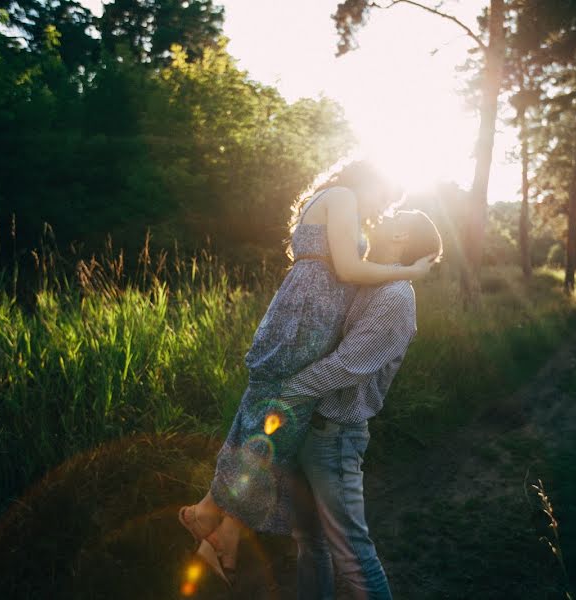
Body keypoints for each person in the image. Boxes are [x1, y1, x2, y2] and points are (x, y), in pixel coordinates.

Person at [177, 162, 437, 583]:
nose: (380, 209)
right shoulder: (344, 198)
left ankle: (223, 524)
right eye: (385, 198)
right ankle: (214, 514)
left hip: (310, 317)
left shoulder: (343, 206)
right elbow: (350, 271)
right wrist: (410, 271)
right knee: (270, 412)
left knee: (275, 421)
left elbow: (351, 275)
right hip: (304, 317)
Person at [282, 209, 443, 600]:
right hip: (309, 426)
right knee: (310, 544)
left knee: (351, 555)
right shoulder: (369, 278)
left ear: (401, 234)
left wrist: (285, 391)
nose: (380, 215)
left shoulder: (396, 296)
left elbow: (348, 365)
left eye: (394, 214)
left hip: (334, 438)